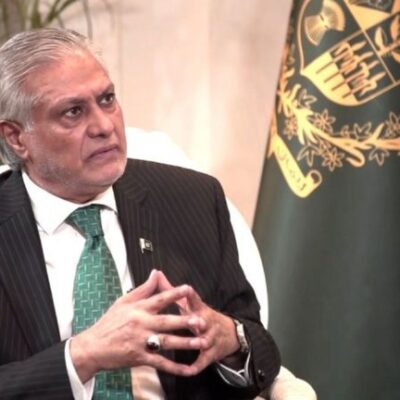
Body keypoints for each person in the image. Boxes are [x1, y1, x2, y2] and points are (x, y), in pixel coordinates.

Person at [0, 28, 280, 399]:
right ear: (17, 137)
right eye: (73, 112)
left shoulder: (191, 198)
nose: (104, 126)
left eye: (107, 99)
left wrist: (228, 336)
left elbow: (260, 347)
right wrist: (82, 356)